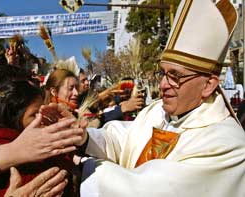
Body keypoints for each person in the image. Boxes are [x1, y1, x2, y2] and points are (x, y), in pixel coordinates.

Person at [76, 0, 245, 196]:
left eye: (175, 76)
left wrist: (84, 172)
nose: (163, 84)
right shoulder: (156, 112)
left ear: (208, 85)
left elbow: (149, 191)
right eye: (163, 73)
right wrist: (84, 137)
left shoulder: (227, 144)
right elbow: (122, 140)